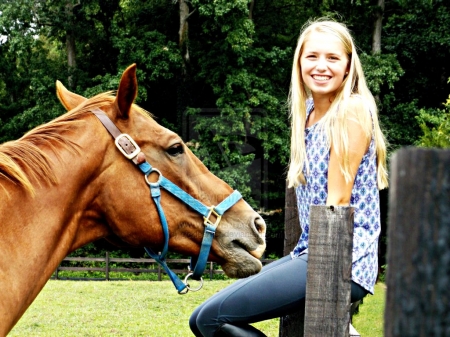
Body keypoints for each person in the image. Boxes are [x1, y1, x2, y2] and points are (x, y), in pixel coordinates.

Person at [189, 18, 389, 337]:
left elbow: (335, 208)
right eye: (312, 56)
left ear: (349, 65)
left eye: (333, 58)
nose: (321, 66)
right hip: (310, 250)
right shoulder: (308, 112)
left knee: (210, 321)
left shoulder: (351, 110)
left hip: (343, 258)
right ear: (299, 61)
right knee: (199, 318)